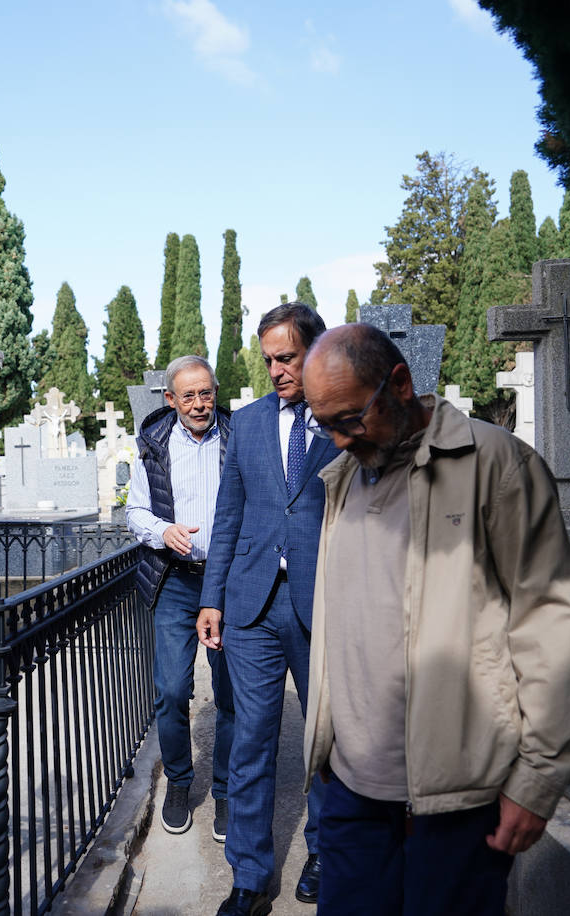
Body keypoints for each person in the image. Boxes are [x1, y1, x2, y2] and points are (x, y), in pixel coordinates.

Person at [300, 323, 570, 915]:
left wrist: (537, 780)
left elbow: (549, 624)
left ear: (400, 384)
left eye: (350, 419)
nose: (335, 441)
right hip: (353, 789)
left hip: (459, 798)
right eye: (322, 423)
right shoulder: (343, 478)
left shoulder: (497, 464)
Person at [198, 303, 336, 916]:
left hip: (323, 605)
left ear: (315, 351)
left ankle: (326, 855)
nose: (277, 369)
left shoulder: (343, 421)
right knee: (250, 741)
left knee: (326, 741)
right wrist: (212, 599)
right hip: (251, 606)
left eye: (287, 357)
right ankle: (251, 878)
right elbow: (228, 517)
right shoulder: (249, 423)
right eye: (270, 359)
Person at [127, 355, 236, 840]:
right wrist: (162, 530)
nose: (199, 403)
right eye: (188, 395)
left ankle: (229, 792)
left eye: (205, 392)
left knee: (231, 692)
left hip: (229, 582)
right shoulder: (152, 447)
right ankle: (179, 782)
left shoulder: (235, 438)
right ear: (170, 399)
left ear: (216, 392)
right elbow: (133, 512)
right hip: (175, 580)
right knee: (171, 692)